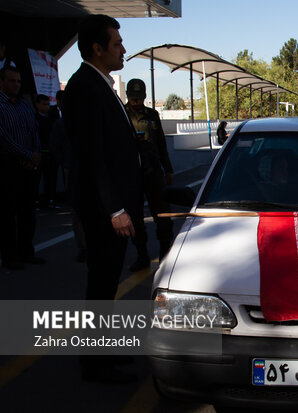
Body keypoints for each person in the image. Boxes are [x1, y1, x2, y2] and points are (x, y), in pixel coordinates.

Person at [62, 14, 142, 382]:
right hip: (103, 210)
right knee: (100, 284)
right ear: (97, 48)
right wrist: (115, 209)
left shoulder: (99, 85)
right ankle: (93, 362)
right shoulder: (84, 87)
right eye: (116, 43)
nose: (123, 48)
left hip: (113, 206)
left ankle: (102, 351)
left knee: (107, 284)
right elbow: (94, 156)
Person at [124, 78, 174, 270]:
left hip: (154, 171)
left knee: (162, 214)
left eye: (139, 98)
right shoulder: (122, 114)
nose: (136, 102)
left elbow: (161, 144)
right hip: (132, 173)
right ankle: (142, 256)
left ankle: (164, 253)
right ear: (128, 97)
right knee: (135, 218)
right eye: (133, 98)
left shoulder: (152, 115)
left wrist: (168, 169)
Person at [0, 66, 44, 270]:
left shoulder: (24, 105)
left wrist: (35, 155)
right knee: (9, 214)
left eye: (18, 81)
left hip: (29, 166)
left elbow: (34, 129)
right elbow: (4, 138)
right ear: (2, 82)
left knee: (28, 212)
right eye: (11, 81)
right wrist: (27, 155)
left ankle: (27, 251)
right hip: (8, 166)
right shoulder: (1, 106)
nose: (16, 85)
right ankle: (10, 256)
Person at [50, 90, 87, 262]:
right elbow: (55, 148)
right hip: (71, 170)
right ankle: (83, 248)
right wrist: (66, 163)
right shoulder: (61, 124)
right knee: (77, 212)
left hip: (88, 170)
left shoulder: (85, 122)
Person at [34, 94, 59, 208]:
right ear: (37, 104)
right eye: (44, 104)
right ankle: (36, 200)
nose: (47, 107)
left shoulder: (53, 118)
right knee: (37, 178)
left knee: (51, 177)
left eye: (48, 104)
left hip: (51, 152)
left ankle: (51, 199)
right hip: (38, 152)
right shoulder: (33, 118)